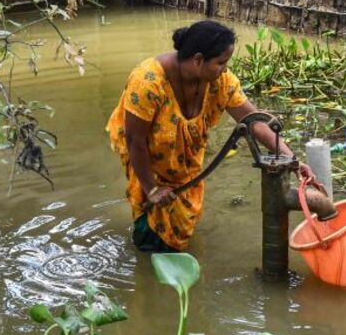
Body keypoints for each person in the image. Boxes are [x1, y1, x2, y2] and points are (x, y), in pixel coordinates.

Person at [106, 20, 313, 253]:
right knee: (151, 233)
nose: (225, 69)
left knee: (180, 223)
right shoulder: (148, 82)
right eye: (221, 63)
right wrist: (151, 189)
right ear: (197, 60)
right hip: (146, 157)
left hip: (185, 162)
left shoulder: (220, 82)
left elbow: (254, 122)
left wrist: (293, 159)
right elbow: (135, 141)